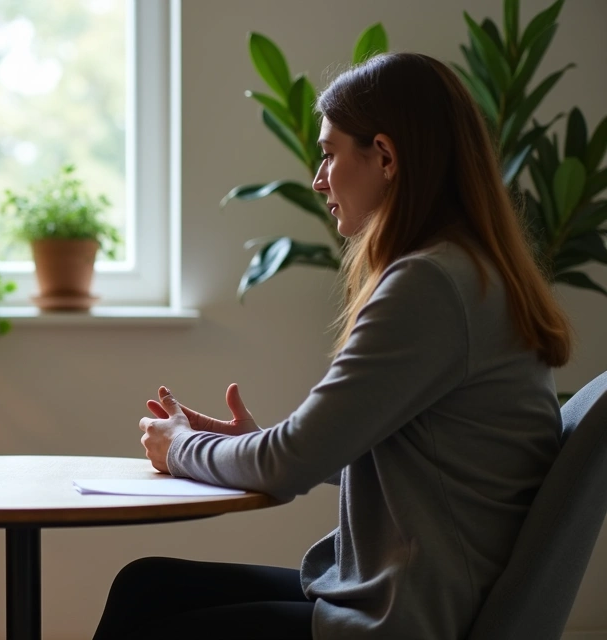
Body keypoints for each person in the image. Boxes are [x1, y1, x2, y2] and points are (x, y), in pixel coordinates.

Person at [93, 52, 573, 640]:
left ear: (387, 156)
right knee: (148, 587)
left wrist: (181, 446)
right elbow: (416, 463)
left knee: (153, 619)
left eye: (329, 153)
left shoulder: (429, 284)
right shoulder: (468, 270)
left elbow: (288, 465)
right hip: (425, 596)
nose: (319, 178)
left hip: (410, 618)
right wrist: (250, 443)